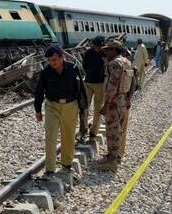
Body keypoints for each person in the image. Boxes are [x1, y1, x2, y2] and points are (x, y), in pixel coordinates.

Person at [34, 44, 86, 174]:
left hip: (70, 105)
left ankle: (67, 164)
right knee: (50, 136)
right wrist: (38, 110)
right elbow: (39, 90)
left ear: (62, 57)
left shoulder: (73, 68)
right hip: (52, 106)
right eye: (50, 60)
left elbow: (81, 89)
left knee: (68, 135)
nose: (52, 63)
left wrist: (83, 107)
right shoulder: (46, 72)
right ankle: (50, 168)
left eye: (55, 60)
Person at [96, 39, 133, 172]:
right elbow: (132, 82)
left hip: (114, 102)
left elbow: (112, 85)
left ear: (114, 50)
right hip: (122, 100)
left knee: (112, 131)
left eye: (108, 50)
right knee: (119, 129)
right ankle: (115, 156)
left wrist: (106, 104)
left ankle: (112, 161)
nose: (105, 52)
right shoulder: (127, 62)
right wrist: (128, 98)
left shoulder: (115, 63)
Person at [82, 36, 106, 140]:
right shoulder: (88, 53)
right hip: (88, 82)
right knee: (84, 106)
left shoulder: (105, 53)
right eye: (96, 46)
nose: (98, 48)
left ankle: (94, 131)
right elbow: (84, 65)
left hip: (100, 84)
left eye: (100, 46)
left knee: (98, 108)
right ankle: (84, 127)